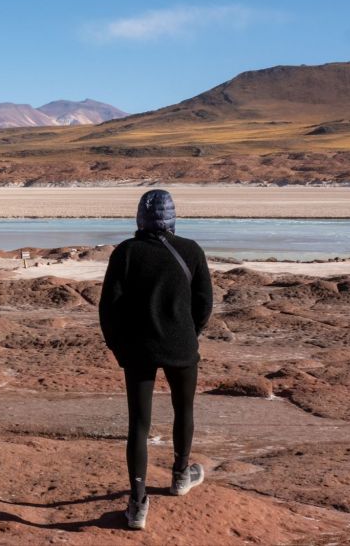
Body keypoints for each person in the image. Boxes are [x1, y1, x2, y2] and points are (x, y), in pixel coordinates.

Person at [98, 189, 213, 530]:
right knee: (184, 410)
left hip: (138, 351)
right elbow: (204, 304)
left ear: (140, 218)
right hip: (181, 348)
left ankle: (137, 505)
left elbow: (109, 308)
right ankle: (181, 476)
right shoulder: (191, 250)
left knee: (139, 424)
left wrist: (119, 347)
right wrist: (189, 334)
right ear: (173, 218)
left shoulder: (126, 253)